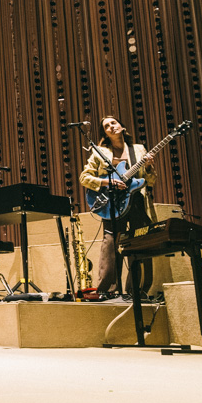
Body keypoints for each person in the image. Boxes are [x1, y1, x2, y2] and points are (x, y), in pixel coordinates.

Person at [79, 115, 158, 297]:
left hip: (136, 201)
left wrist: (147, 167)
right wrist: (108, 183)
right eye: (106, 126)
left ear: (122, 126)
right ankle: (108, 290)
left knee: (141, 242)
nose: (111, 127)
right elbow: (85, 178)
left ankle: (137, 290)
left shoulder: (138, 150)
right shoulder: (100, 151)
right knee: (110, 245)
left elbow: (150, 181)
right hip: (112, 203)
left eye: (113, 123)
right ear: (105, 134)